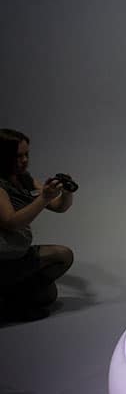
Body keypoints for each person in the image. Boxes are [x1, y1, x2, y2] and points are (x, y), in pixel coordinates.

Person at [0, 129, 75, 321]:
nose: (24, 160)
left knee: (48, 295)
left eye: (26, 154)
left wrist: (66, 192)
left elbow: (59, 206)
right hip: (3, 260)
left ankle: (11, 296)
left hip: (18, 255)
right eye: (18, 156)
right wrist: (44, 198)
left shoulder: (23, 178)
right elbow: (12, 222)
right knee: (59, 260)